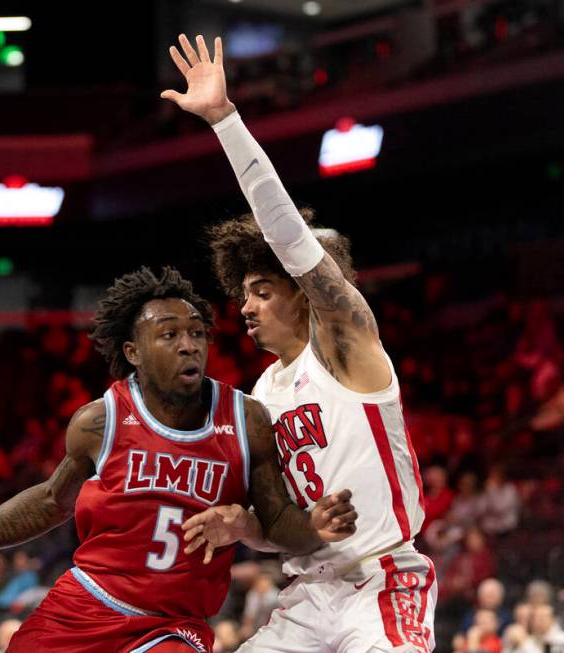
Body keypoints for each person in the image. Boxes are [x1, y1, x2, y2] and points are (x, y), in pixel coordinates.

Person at [0, 266, 357, 653]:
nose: (188, 344)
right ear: (132, 352)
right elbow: (54, 501)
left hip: (174, 624)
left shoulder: (246, 420)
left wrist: (312, 526)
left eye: (197, 332)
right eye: (169, 334)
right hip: (86, 604)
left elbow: (276, 519)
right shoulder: (101, 420)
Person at [163, 34, 435, 652]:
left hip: (382, 582)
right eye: (245, 292)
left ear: (302, 293)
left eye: (262, 290)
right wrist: (246, 528)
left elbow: (287, 235)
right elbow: (292, 527)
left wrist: (225, 121)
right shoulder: (266, 389)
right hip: (307, 595)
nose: (246, 305)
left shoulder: (343, 342)